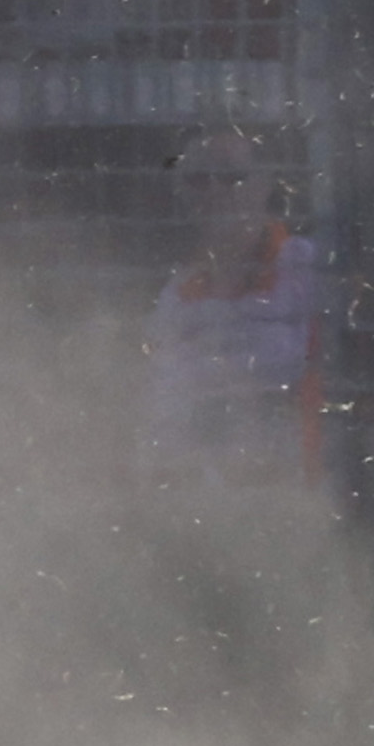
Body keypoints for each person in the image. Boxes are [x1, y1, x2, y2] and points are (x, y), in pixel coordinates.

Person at [136, 125, 327, 486]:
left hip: (296, 493)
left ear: (265, 183)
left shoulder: (308, 269)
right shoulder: (175, 297)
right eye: (198, 179)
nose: (214, 191)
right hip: (198, 496)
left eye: (230, 176)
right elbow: (156, 414)